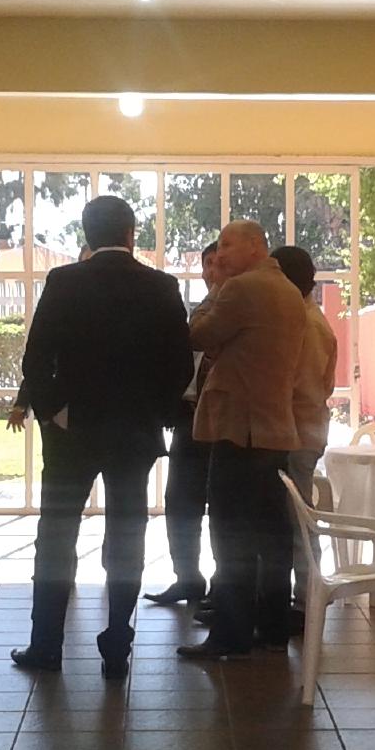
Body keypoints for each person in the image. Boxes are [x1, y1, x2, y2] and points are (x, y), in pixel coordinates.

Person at [9, 196, 192, 679]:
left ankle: (46, 644)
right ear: (132, 234)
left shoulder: (64, 281)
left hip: (73, 430)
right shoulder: (161, 286)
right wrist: (157, 412)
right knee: (128, 534)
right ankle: (117, 642)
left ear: (87, 235)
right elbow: (178, 364)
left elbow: (35, 358)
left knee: (56, 535)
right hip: (134, 431)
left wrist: (54, 412)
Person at [180, 221, 306, 660]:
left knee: (230, 532)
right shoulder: (288, 291)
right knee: (272, 534)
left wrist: (213, 290)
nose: (220, 255)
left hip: (240, 427)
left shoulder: (240, 288)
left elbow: (198, 336)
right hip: (275, 426)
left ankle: (231, 633)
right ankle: (272, 625)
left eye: (228, 245)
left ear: (256, 246)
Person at [145, 239, 222, 608]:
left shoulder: (237, 311)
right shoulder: (196, 314)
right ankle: (187, 577)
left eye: (219, 264)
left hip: (222, 424)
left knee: (222, 508)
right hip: (189, 419)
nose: (212, 272)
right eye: (207, 264)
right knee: (178, 503)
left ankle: (225, 588)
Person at [273, 245, 337, 615]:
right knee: (294, 517)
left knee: (299, 518)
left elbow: (308, 388)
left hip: (299, 432)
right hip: (298, 429)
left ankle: (307, 600)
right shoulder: (303, 318)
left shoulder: (308, 324)